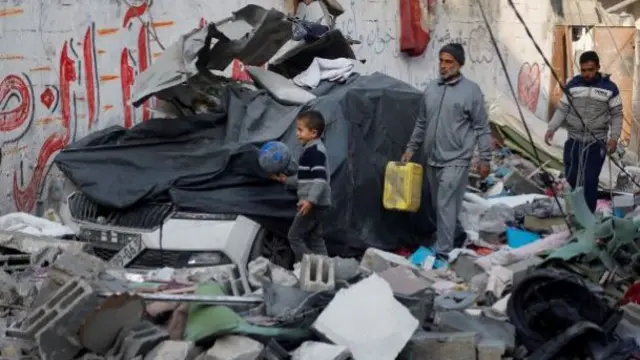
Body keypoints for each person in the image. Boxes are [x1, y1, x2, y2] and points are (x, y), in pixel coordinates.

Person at [401, 43, 492, 257]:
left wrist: (485, 160)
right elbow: (422, 123)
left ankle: (443, 252)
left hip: (457, 159)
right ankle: (457, 235)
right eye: (441, 61)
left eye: (449, 61)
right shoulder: (431, 89)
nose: (443, 66)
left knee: (445, 204)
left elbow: (482, 127)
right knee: (439, 206)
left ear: (459, 64)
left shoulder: (471, 91)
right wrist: (410, 148)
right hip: (432, 158)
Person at [544, 50, 622, 213]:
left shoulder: (610, 88)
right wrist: (551, 128)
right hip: (574, 142)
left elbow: (617, 115)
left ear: (598, 68)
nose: (587, 74)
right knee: (571, 179)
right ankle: (574, 214)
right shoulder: (573, 85)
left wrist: (614, 138)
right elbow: (562, 109)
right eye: (584, 70)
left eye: (591, 70)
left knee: (589, 179)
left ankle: (589, 218)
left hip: (596, 143)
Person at [271, 110, 331, 261]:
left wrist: (310, 200)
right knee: (315, 238)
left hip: (314, 204)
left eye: (300, 130)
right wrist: (285, 180)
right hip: (320, 204)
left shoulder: (315, 151)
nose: (297, 134)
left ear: (313, 133)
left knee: (294, 236)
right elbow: (304, 177)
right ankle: (326, 268)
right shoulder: (309, 149)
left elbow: (320, 179)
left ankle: (312, 266)